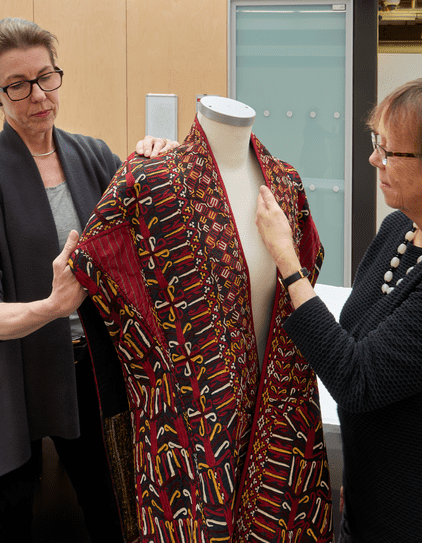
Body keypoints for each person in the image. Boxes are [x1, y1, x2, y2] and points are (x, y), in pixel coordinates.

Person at [0, 17, 176, 542]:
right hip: (10, 369)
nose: (38, 95)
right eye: (18, 85)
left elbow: (143, 247)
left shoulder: (93, 156)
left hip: (89, 370)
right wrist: (51, 307)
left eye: (47, 77)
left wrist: (158, 169)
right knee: (7, 513)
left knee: (113, 506)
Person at [69, 96, 331, 542]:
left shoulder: (285, 183)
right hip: (186, 420)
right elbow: (99, 265)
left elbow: (303, 270)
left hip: (278, 411)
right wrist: (160, 367)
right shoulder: (147, 184)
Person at [255, 73, 422, 542]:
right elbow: (357, 344)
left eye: (391, 151)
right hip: (372, 503)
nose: (374, 159)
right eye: (377, 143)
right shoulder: (397, 231)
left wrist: (287, 261)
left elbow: (358, 378)